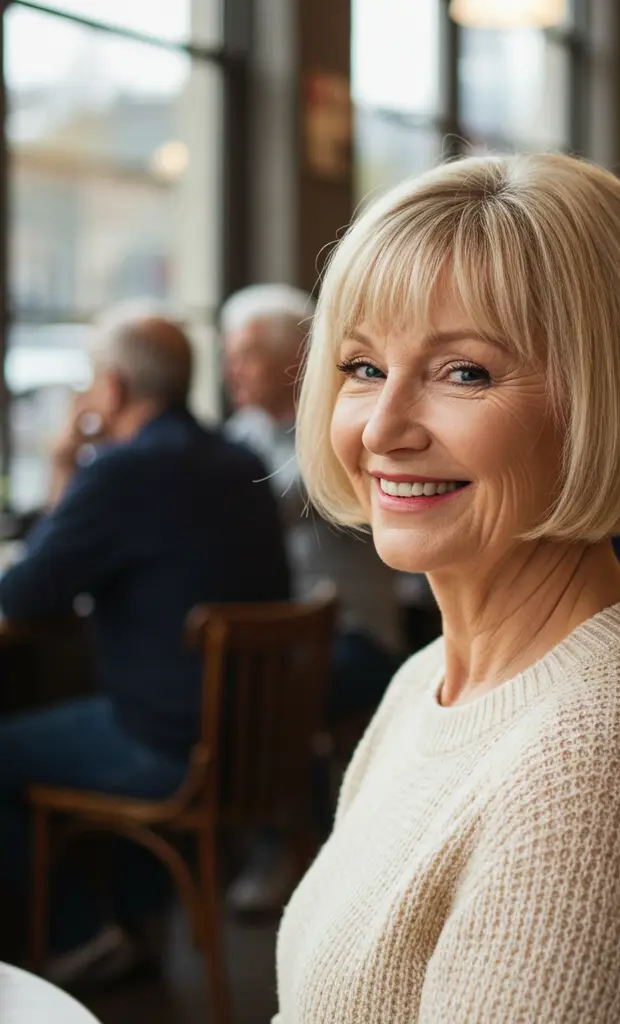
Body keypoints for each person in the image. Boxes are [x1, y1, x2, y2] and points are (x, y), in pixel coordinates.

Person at [275, 154, 620, 1023]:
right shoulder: (428, 680)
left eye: (464, 372)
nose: (383, 428)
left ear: (608, 401)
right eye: (362, 367)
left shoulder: (590, 778)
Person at [0, 305, 291, 982]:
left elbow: (23, 595)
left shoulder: (119, 473)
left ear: (112, 388)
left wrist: (62, 460)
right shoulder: (240, 459)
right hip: (252, 742)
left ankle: (80, 935)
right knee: (123, 698)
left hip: (171, 750)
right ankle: (142, 924)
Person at [220, 284, 403, 913]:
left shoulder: (336, 427)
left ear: (296, 359)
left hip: (357, 639)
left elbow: (273, 508)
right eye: (228, 353)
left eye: (246, 353)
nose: (231, 370)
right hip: (277, 637)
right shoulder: (241, 432)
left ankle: (302, 854)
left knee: (266, 697)